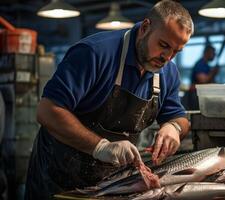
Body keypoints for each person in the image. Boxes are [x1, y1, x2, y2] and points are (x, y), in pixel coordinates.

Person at [25, 0, 193, 199]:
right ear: (145, 28)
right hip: (57, 178)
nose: (168, 57)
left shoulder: (167, 72)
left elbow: (179, 117)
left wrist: (174, 128)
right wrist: (101, 147)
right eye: (164, 45)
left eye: (176, 51)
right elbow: (47, 111)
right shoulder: (94, 53)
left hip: (113, 183)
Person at [185, 45, 219, 110]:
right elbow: (202, 80)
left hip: (201, 95)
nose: (214, 55)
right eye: (213, 53)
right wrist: (213, 73)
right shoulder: (200, 64)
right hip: (196, 95)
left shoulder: (206, 65)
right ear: (207, 53)